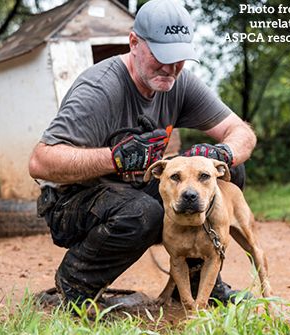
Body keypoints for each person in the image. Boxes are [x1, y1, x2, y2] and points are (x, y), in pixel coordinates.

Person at [29, 0, 256, 307]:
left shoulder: (179, 81)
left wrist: (223, 152)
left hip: (133, 191)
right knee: (142, 212)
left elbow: (242, 132)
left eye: (178, 59)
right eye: (161, 56)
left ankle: (193, 282)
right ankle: (75, 286)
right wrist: (115, 158)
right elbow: (40, 162)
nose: (170, 68)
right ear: (134, 42)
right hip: (71, 203)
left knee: (222, 172)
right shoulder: (99, 89)